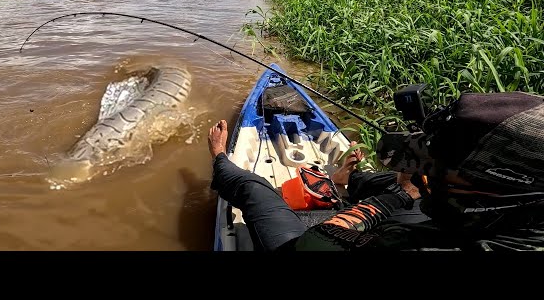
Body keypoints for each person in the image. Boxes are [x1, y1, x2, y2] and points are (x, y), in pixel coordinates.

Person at [208, 93, 544, 251]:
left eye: (442, 168)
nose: (430, 176)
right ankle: (341, 182)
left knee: (254, 190)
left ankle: (220, 157)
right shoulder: (519, 213)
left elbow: (316, 245)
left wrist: (397, 196)